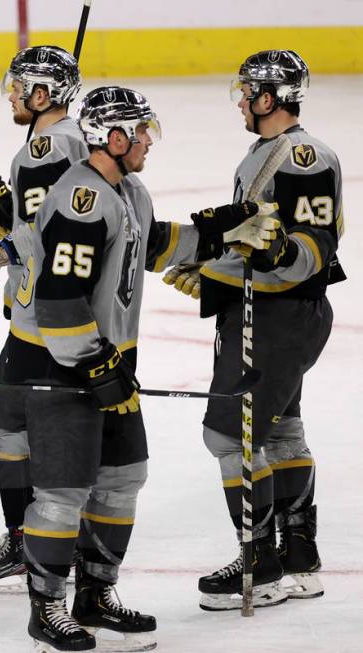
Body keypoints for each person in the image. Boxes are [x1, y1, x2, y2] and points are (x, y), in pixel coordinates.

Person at [0, 85, 276, 652]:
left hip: (109, 362)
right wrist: (96, 368)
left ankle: (94, 596)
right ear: (113, 138)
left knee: (121, 479)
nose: (147, 144)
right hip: (65, 365)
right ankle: (47, 610)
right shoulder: (79, 200)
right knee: (62, 492)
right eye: (140, 134)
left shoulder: (128, 189)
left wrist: (220, 232)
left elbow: (152, 246)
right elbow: (59, 299)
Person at [182, 50, 341, 611]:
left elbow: (313, 250)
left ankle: (261, 565)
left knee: (229, 436)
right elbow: (255, 242)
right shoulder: (266, 152)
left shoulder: (302, 156)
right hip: (277, 315)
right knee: (280, 432)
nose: (242, 102)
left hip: (277, 318)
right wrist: (212, 271)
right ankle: (299, 560)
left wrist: (269, 252)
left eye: (247, 92)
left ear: (268, 98)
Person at [0, 45, 87, 593]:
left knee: (28, 429)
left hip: (49, 316)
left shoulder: (45, 149)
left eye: (19, 86)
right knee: (15, 424)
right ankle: (33, 540)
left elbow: (46, 237)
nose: (10, 94)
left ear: (43, 94)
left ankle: (44, 546)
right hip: (49, 311)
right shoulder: (68, 140)